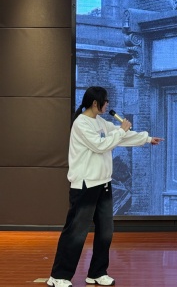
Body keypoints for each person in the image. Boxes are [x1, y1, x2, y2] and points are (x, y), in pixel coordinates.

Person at [47, 86, 163, 287]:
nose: (108, 104)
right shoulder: (81, 124)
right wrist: (121, 131)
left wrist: (146, 138)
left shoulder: (100, 122)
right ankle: (59, 276)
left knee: (105, 231)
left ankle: (97, 273)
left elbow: (121, 136)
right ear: (95, 103)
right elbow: (101, 145)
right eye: (105, 101)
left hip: (103, 184)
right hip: (85, 185)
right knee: (76, 232)